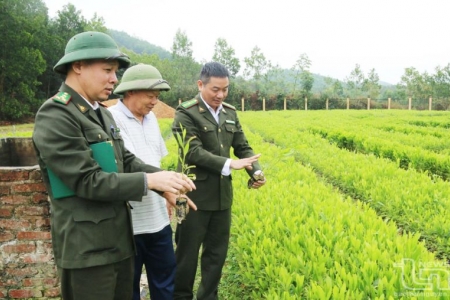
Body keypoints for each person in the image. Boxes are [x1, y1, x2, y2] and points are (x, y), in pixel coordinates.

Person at [32, 31, 195, 300]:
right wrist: (149, 182)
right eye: (107, 70)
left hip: (119, 243)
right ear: (78, 66)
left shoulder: (101, 113)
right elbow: (87, 180)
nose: (114, 79)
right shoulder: (57, 114)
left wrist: (165, 182)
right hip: (88, 251)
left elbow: (126, 161)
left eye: (115, 71)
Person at [172, 61, 267, 300]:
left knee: (216, 255)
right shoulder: (186, 112)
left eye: (225, 89)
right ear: (200, 84)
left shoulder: (230, 113)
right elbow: (191, 151)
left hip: (222, 198)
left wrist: (255, 172)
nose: (221, 95)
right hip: (189, 196)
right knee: (186, 254)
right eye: (215, 89)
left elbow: (243, 147)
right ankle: (181, 297)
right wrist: (228, 164)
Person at [108, 63, 178, 300]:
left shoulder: (152, 120)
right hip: (131, 225)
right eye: (150, 96)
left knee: (165, 282)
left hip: (158, 221)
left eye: (157, 97)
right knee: (129, 288)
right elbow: (125, 168)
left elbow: (155, 164)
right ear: (130, 92)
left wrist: (167, 193)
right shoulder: (110, 120)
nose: (154, 102)